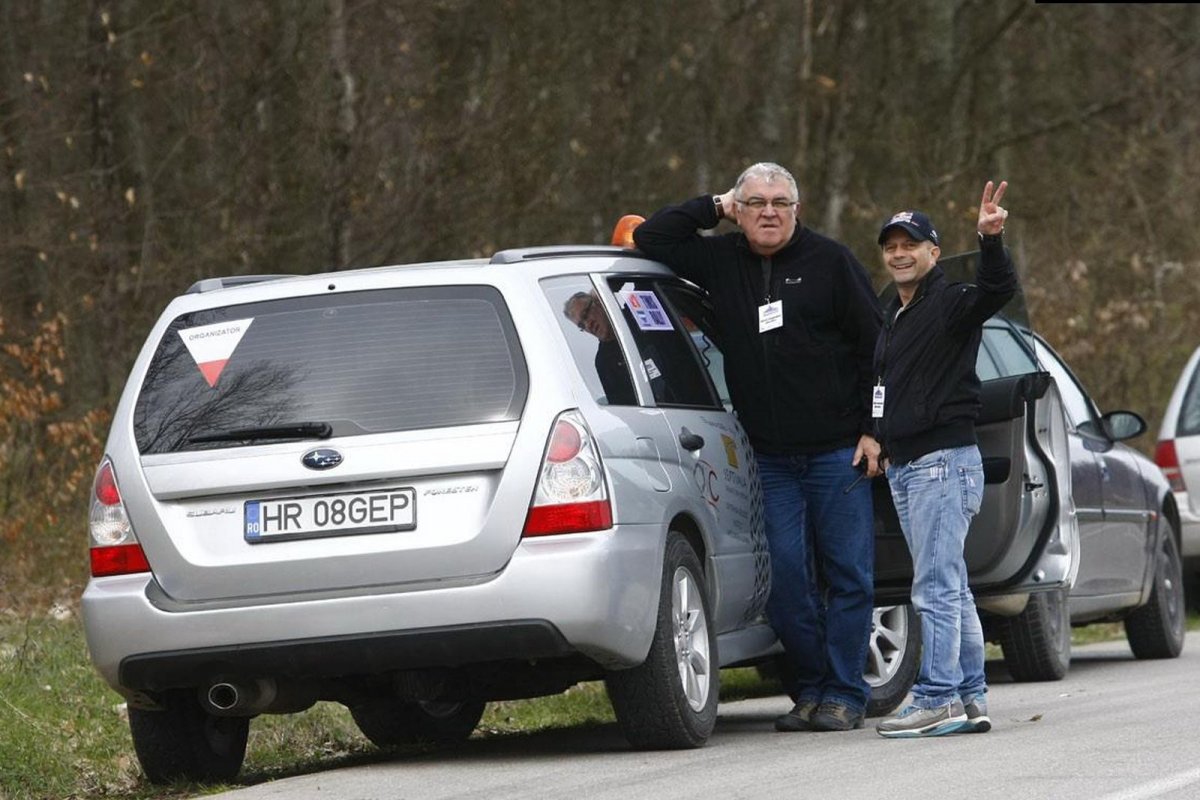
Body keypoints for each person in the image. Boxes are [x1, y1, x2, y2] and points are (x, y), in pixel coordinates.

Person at [633, 162, 883, 732]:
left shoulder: (832, 263)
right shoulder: (721, 261)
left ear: (798, 210)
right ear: (739, 211)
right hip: (768, 458)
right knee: (786, 581)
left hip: (838, 452)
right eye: (755, 203)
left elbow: (879, 350)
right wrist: (714, 205)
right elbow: (653, 237)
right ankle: (813, 687)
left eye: (780, 202)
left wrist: (876, 429)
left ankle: (845, 693)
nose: (769, 212)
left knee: (849, 575)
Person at [872, 181, 1016, 738]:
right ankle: (971, 696)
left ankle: (935, 697)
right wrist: (881, 438)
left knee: (932, 586)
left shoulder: (952, 302)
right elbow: (888, 386)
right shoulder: (895, 314)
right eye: (891, 246)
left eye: (912, 244)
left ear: (934, 252)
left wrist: (990, 239)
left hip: (943, 463)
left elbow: (997, 288)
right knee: (950, 584)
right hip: (908, 466)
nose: (900, 253)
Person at [563, 290, 638, 406]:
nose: (588, 325)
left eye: (586, 315)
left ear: (599, 303)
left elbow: (640, 283)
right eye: (582, 325)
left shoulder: (635, 317)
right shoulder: (604, 362)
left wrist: (602, 290)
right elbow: (624, 407)